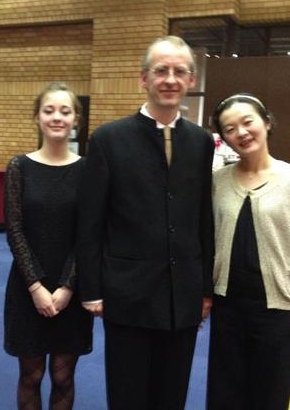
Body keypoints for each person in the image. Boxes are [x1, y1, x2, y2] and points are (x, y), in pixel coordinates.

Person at [76, 36, 215, 409]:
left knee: (173, 395)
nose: (170, 79)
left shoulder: (201, 142)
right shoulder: (109, 139)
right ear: (144, 78)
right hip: (127, 293)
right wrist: (91, 289)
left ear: (191, 79)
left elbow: (203, 220)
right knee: (128, 395)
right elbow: (91, 221)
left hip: (182, 295)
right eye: (161, 70)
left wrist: (205, 289)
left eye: (179, 71)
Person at [207, 93, 290, 410]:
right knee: (225, 395)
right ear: (224, 139)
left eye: (247, 122)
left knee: (271, 396)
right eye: (230, 129)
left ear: (267, 122)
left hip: (281, 310)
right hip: (228, 307)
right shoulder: (217, 182)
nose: (241, 132)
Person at [4, 82, 93, 410]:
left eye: (65, 111)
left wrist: (68, 286)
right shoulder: (19, 167)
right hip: (27, 287)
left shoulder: (87, 169)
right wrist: (36, 286)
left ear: (76, 120)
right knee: (31, 375)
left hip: (72, 288)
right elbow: (14, 230)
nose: (57, 117)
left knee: (63, 376)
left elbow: (88, 233)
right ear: (37, 117)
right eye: (49, 110)